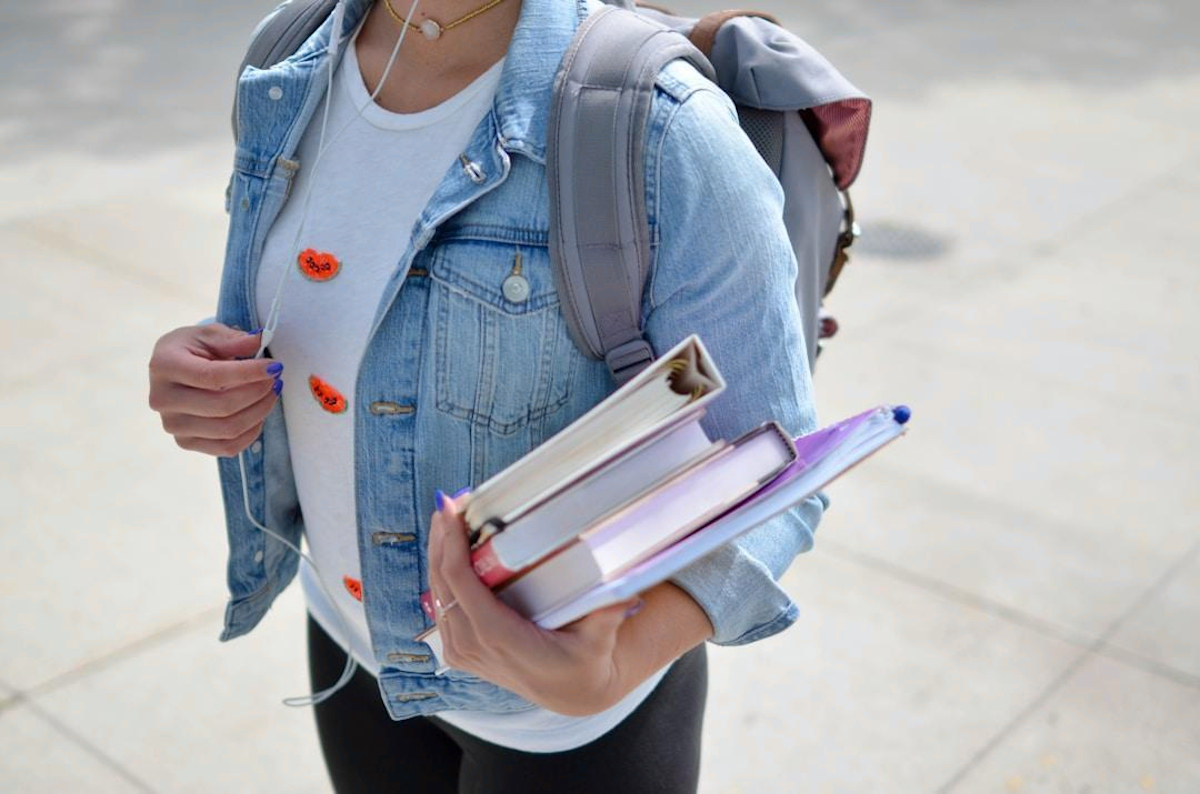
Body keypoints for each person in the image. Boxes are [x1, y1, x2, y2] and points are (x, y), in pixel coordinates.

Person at [147, 0, 823, 790]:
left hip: (569, 728)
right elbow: (331, 304)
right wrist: (205, 368)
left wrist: (612, 668)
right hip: (350, 644)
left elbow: (775, 470)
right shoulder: (288, 56)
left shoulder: (662, 128)